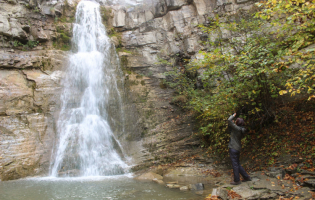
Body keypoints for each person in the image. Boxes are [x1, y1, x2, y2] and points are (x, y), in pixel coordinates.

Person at [228, 113, 251, 185]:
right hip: (237, 148)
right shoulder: (241, 129)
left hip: (233, 147)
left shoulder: (237, 129)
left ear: (237, 123)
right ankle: (246, 177)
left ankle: (237, 180)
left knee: (235, 164)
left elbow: (229, 120)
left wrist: (233, 116)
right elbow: (230, 124)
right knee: (237, 164)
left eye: (236, 121)